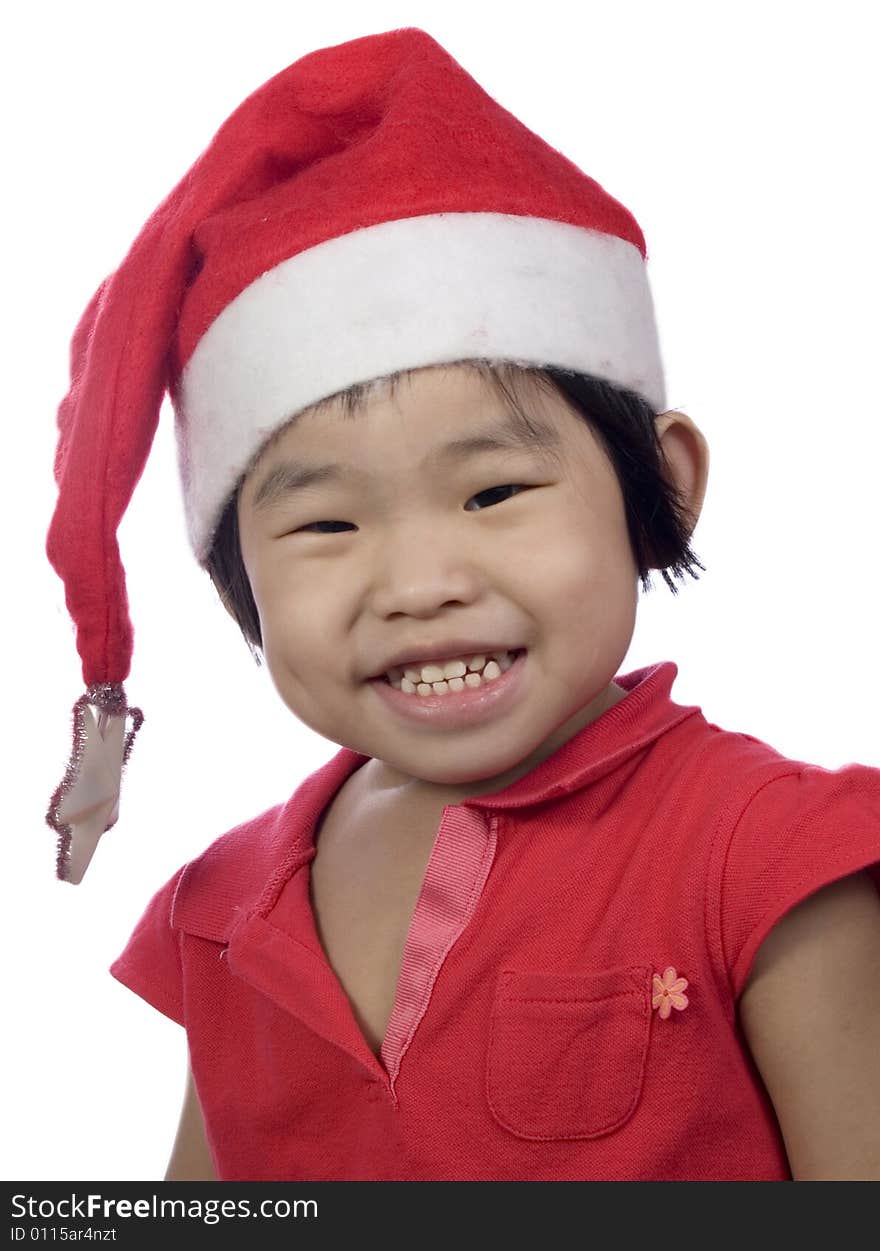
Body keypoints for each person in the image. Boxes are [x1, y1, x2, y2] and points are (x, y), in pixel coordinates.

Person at [44, 28, 880, 1182]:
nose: (420, 583)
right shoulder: (222, 911)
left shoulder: (773, 859)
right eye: (325, 525)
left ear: (665, 489)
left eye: (493, 491)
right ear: (234, 570)